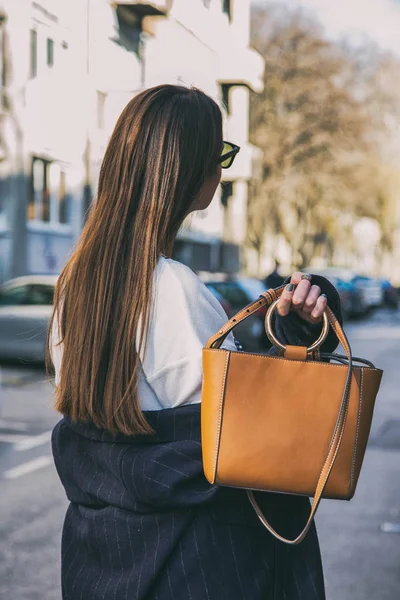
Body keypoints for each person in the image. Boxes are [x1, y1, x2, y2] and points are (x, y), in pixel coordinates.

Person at [47, 84, 342, 600]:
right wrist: (301, 332)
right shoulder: (171, 286)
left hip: (101, 556)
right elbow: (246, 437)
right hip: (194, 563)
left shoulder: (77, 283)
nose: (223, 172)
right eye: (220, 155)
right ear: (187, 171)